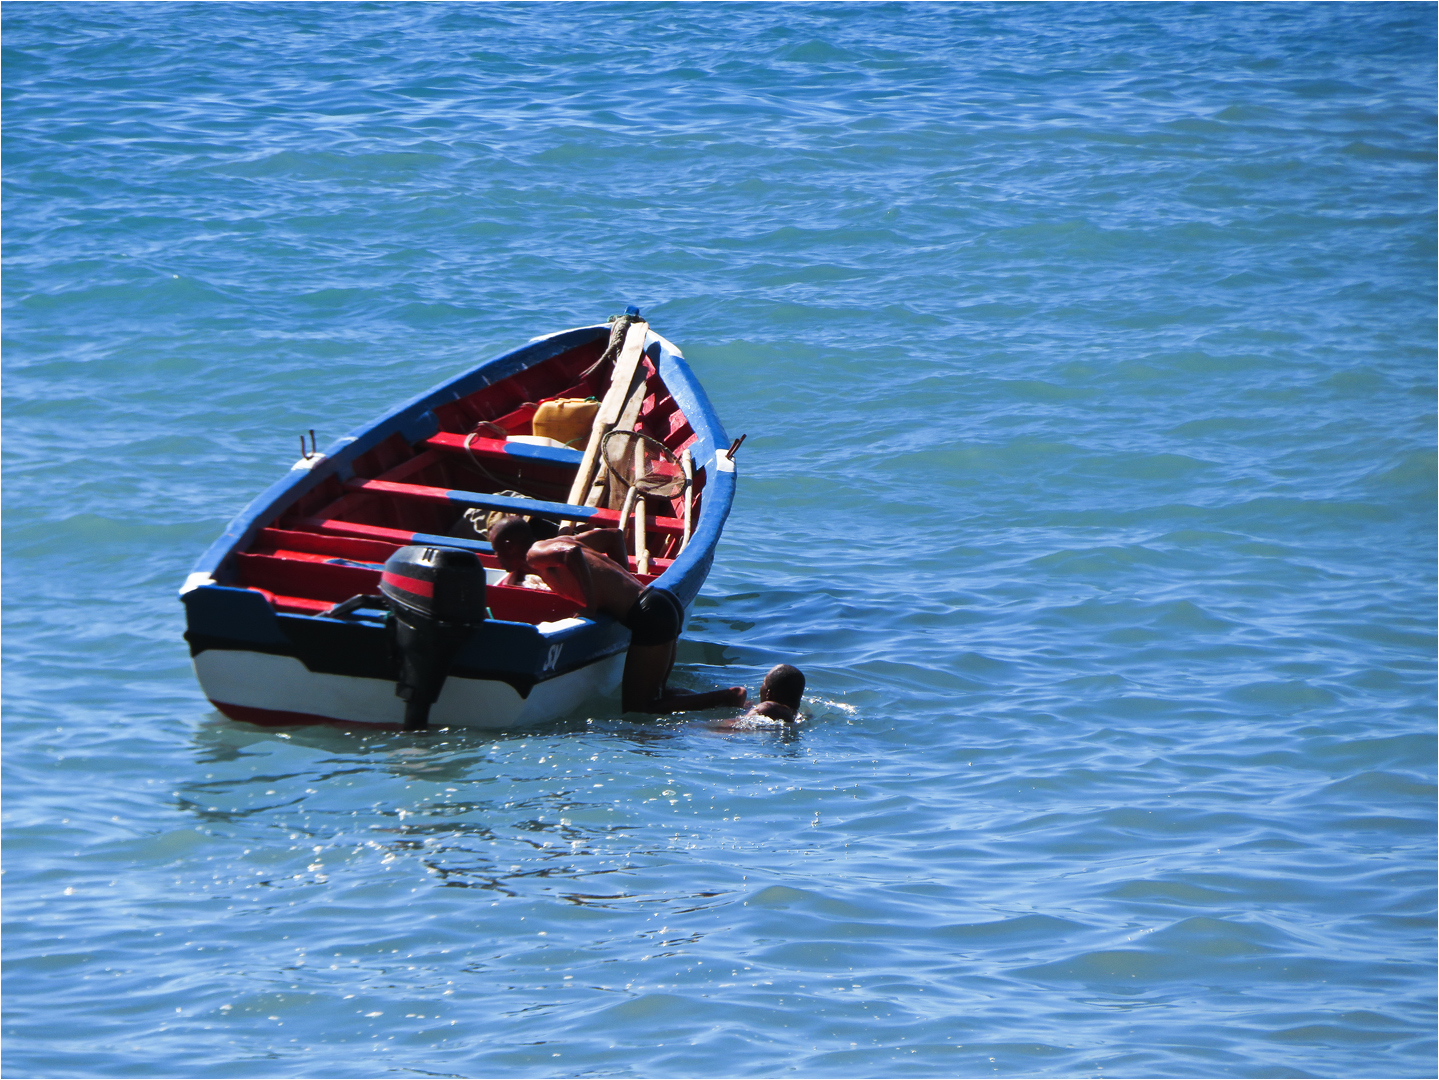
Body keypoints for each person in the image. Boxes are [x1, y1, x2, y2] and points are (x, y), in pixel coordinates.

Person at [488, 516, 746, 713]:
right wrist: (623, 584)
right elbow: (614, 535)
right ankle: (728, 700)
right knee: (658, 695)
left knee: (639, 708)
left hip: (649, 615)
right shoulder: (562, 540)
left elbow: (572, 555)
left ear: (510, 546)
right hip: (659, 601)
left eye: (497, 551)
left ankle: (728, 697)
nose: (496, 558)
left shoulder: (536, 554)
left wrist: (590, 605)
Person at [714, 664, 806, 728]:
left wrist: (701, 727)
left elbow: (732, 726)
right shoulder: (801, 715)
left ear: (768, 693)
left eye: (763, 684)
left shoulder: (768, 708)